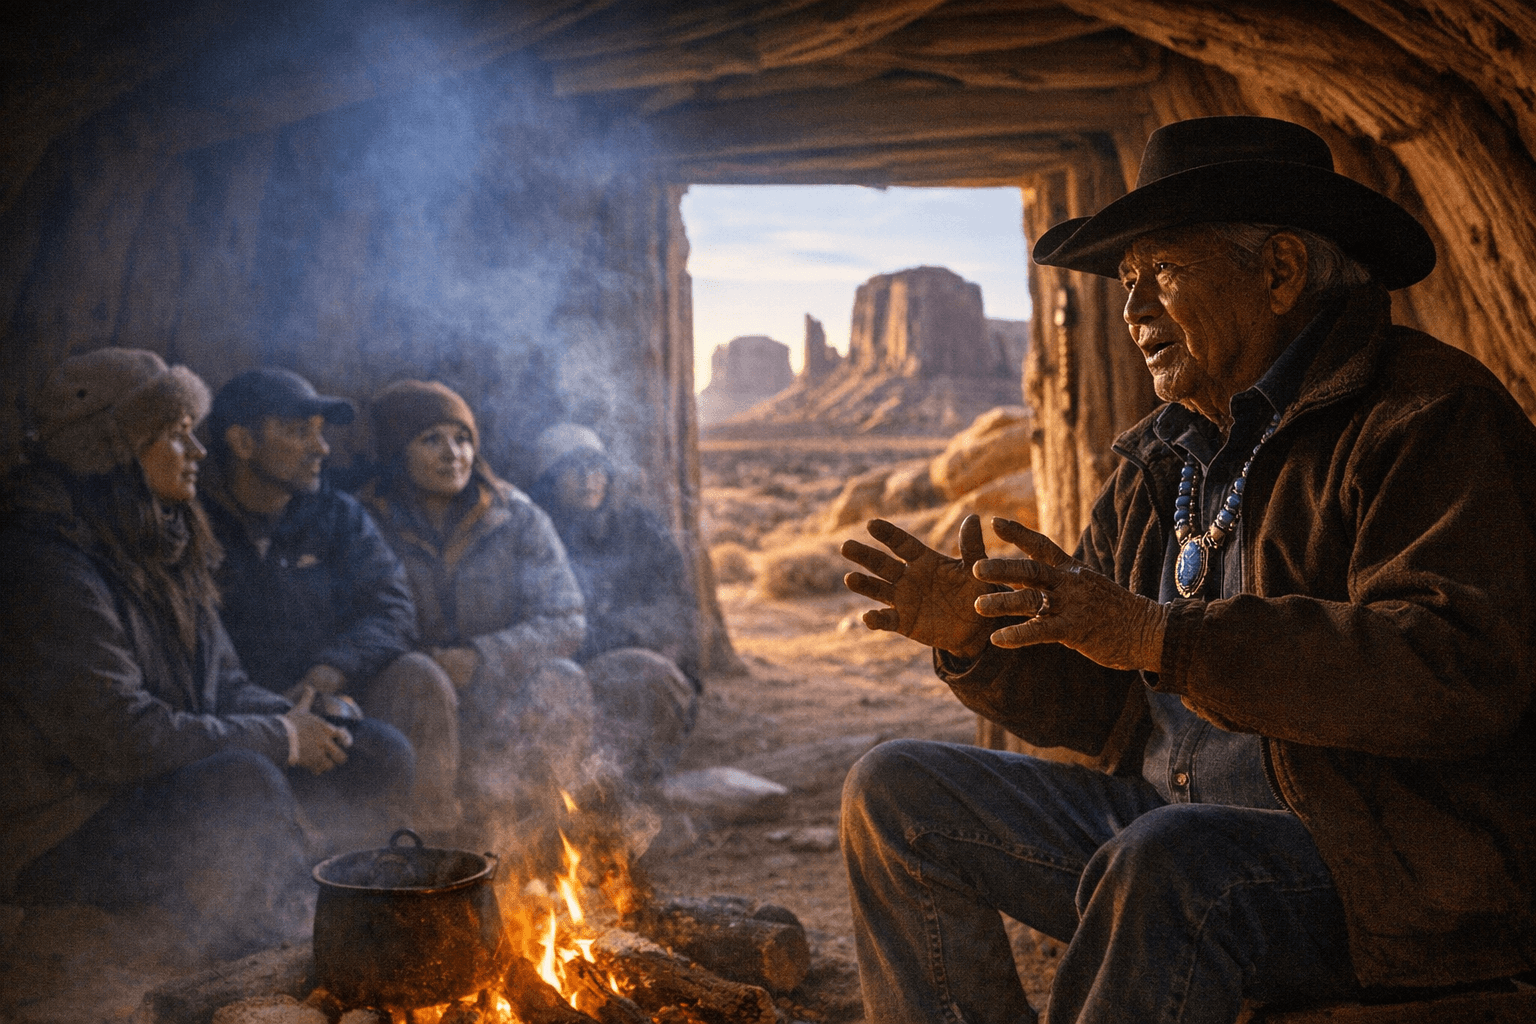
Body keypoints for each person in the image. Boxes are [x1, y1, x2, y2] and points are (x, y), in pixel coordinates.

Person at [839, 116, 1536, 1024]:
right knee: (895, 793)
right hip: (1168, 824)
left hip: (1377, 865)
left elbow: (1453, 673)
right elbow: (1104, 709)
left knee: (1171, 863)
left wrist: (1161, 635)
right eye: (1126, 284)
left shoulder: (1427, 417)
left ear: (1280, 272)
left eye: (1161, 272)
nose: (1132, 313)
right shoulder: (1160, 462)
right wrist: (981, 645)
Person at [0, 349, 413, 958]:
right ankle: (278, 944)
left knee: (374, 749)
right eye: (176, 435)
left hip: (160, 777)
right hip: (68, 827)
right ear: (114, 452)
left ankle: (363, 909)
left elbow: (224, 682)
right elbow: (119, 738)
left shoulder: (163, 539)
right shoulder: (47, 564)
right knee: (240, 783)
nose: (197, 451)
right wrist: (279, 736)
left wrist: (307, 721)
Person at [200, 368, 457, 830]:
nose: (321, 448)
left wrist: (330, 671)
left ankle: (424, 853)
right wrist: (270, 709)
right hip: (236, 715)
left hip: (329, 693)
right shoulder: (196, 525)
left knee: (418, 676)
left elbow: (393, 607)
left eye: (320, 433)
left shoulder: (336, 515)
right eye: (298, 433)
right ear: (242, 443)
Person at [356, 381, 601, 833]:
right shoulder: (363, 522)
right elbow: (354, 623)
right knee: (420, 679)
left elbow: (565, 620)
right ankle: (429, 853)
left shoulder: (517, 517)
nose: (454, 454)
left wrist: (481, 657)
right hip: (404, 710)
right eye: (431, 439)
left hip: (497, 701)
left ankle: (541, 842)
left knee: (562, 680)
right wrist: (433, 663)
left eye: (462, 438)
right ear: (396, 450)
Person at [527, 422, 701, 783]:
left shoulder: (638, 527)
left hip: (628, 659)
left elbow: (676, 608)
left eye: (595, 467)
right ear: (549, 480)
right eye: (572, 469)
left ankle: (635, 791)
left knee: (653, 679)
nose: (588, 478)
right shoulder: (532, 533)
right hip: (560, 668)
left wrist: (622, 631)